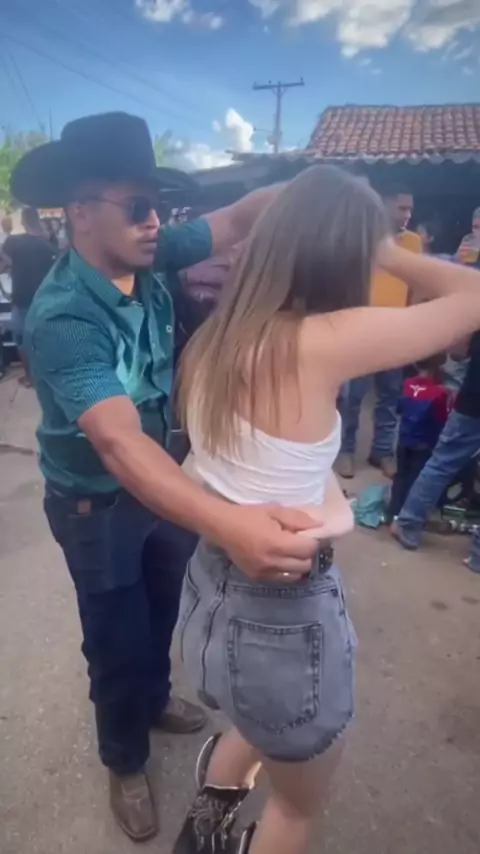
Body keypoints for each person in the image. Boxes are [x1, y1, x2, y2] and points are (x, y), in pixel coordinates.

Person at [11, 111, 320, 843]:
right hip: (95, 506)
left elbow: (239, 216)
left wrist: (319, 190)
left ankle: (152, 701)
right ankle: (124, 759)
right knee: (113, 637)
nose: (156, 221)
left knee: (161, 613)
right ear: (81, 212)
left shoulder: (147, 250)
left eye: (159, 205)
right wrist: (230, 523)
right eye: (138, 205)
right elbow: (119, 445)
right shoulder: (63, 317)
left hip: (162, 488)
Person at [171, 165, 480, 854]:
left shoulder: (218, 338)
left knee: (256, 722)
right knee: (297, 806)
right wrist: (387, 247)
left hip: (213, 589)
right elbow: (473, 295)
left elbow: (247, 467)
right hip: (282, 611)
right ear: (344, 251)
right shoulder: (321, 340)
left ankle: (205, 829)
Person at [337, 184, 423, 480]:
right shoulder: (361, 239)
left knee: (390, 395)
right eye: (402, 208)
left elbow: (415, 284)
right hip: (362, 330)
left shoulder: (413, 242)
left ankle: (382, 451)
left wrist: (413, 321)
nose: (407, 215)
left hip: (396, 331)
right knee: (353, 396)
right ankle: (346, 451)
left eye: (410, 209)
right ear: (384, 205)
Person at [392, 332, 480, 572]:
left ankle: (408, 525)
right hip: (472, 401)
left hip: (472, 402)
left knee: (441, 464)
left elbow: (458, 351)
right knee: (442, 464)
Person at [387, 354, 451, 521]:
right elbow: (442, 418)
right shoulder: (440, 393)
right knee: (416, 478)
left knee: (401, 475)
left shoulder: (407, 384)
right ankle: (407, 516)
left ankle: (393, 511)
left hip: (404, 439)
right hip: (425, 443)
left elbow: (399, 408)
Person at [0, 207, 57, 385]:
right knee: (45, 339)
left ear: (23, 221)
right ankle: (48, 376)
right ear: (37, 219)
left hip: (22, 299)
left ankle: (30, 377)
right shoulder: (48, 246)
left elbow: (5, 261)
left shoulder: (13, 242)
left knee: (21, 339)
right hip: (45, 300)